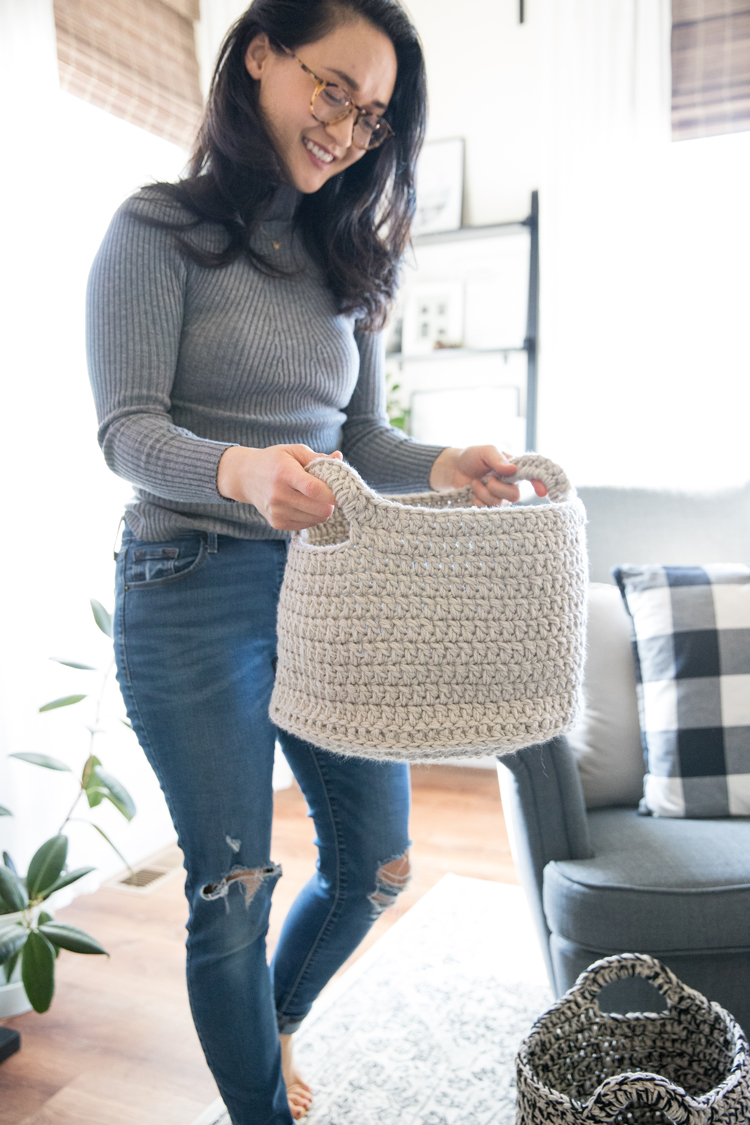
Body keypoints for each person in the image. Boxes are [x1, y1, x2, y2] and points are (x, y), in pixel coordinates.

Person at [86, 1, 546, 1121]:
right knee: (232, 890)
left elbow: (360, 443)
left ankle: (270, 1025)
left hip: (328, 592)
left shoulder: (348, 256)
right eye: (332, 90)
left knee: (378, 863)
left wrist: (449, 464)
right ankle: (262, 1109)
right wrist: (240, 471)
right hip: (189, 585)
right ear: (259, 58)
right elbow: (127, 431)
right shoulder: (158, 230)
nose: (346, 130)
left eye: (375, 116)